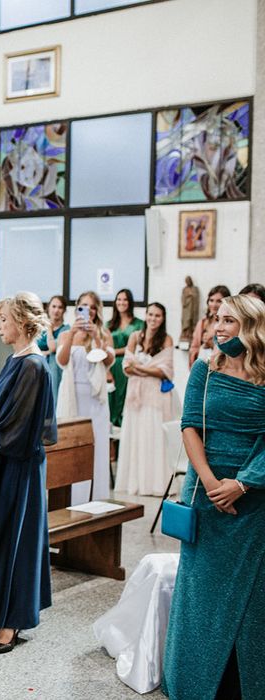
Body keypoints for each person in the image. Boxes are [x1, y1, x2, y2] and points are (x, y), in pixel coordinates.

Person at [163, 294, 265, 700]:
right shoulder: (206, 368)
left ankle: (247, 683)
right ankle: (195, 682)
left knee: (254, 592)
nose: (219, 327)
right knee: (200, 592)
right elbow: (190, 426)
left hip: (254, 498)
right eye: (216, 319)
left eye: (228, 321)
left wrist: (243, 482)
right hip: (207, 495)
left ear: (251, 326)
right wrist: (209, 482)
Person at [0, 292, 57, 655]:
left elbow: (23, 426)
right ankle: (1, 612)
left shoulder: (34, 365)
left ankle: (11, 621)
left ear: (21, 322)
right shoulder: (17, 360)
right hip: (8, 465)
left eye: (4, 320)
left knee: (17, 541)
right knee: (3, 536)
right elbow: (0, 410)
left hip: (20, 467)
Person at [56, 290, 115, 503]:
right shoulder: (65, 334)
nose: (87, 310)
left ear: (96, 310)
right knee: (73, 444)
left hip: (95, 398)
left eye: (91, 306)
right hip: (72, 396)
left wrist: (97, 338)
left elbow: (109, 362)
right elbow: (61, 362)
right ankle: (72, 497)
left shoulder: (103, 333)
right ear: (77, 308)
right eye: (83, 305)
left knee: (97, 444)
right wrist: (72, 335)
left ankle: (97, 497)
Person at [114, 303, 176, 496]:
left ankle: (156, 484)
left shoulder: (166, 339)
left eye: (157, 316)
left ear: (163, 318)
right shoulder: (135, 337)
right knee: (136, 434)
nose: (153, 319)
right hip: (136, 395)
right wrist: (147, 370)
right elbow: (126, 367)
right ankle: (135, 482)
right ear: (146, 316)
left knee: (154, 434)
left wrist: (140, 369)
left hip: (156, 395)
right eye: (150, 314)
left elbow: (166, 371)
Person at [107, 289, 145, 428]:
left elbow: (136, 347)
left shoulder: (139, 324)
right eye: (119, 299)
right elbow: (103, 347)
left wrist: (114, 351)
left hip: (128, 366)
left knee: (125, 400)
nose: (121, 302)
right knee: (112, 399)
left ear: (130, 302)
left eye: (125, 299)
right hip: (111, 367)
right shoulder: (109, 324)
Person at [37, 295, 69, 406]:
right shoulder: (39, 328)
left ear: (64, 310)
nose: (56, 310)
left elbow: (53, 348)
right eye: (54, 306)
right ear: (48, 308)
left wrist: (49, 328)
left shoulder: (66, 330)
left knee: (53, 358)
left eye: (60, 307)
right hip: (38, 367)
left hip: (55, 369)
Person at [189, 285, 230, 367]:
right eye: (211, 300)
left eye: (219, 301)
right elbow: (193, 347)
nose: (214, 305)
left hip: (222, 367)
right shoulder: (203, 323)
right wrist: (202, 347)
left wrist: (212, 345)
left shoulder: (230, 323)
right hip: (202, 365)